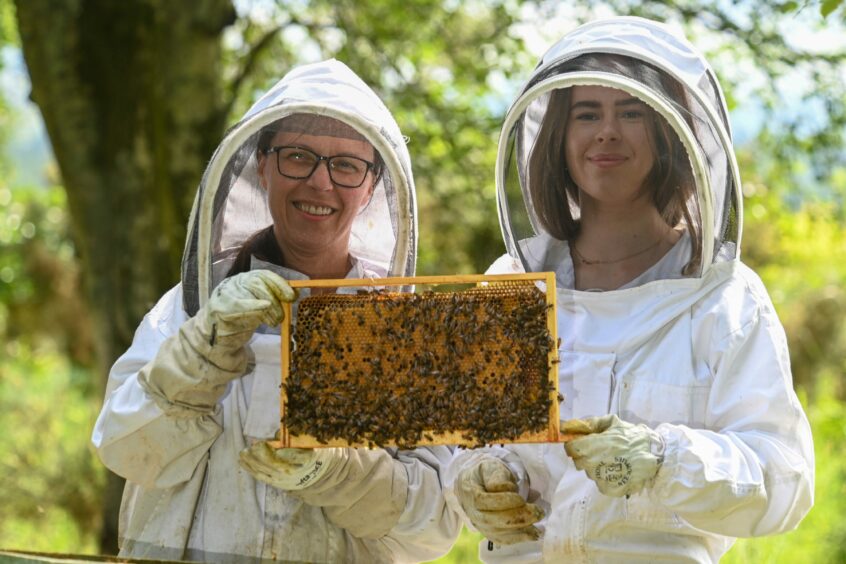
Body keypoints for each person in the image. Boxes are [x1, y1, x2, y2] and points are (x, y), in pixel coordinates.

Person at [442, 16, 814, 563]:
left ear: (670, 135)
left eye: (632, 113)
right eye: (586, 113)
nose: (606, 132)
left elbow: (785, 479)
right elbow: (464, 443)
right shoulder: (510, 287)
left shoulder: (723, 299)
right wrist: (475, 476)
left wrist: (665, 459)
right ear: (558, 138)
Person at [92, 59, 460, 562]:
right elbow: (125, 448)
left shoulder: (403, 330)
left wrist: (337, 471)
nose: (319, 183)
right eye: (297, 156)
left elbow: (432, 526)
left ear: (372, 185)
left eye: (346, 165)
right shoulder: (189, 307)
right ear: (262, 165)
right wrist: (201, 355)